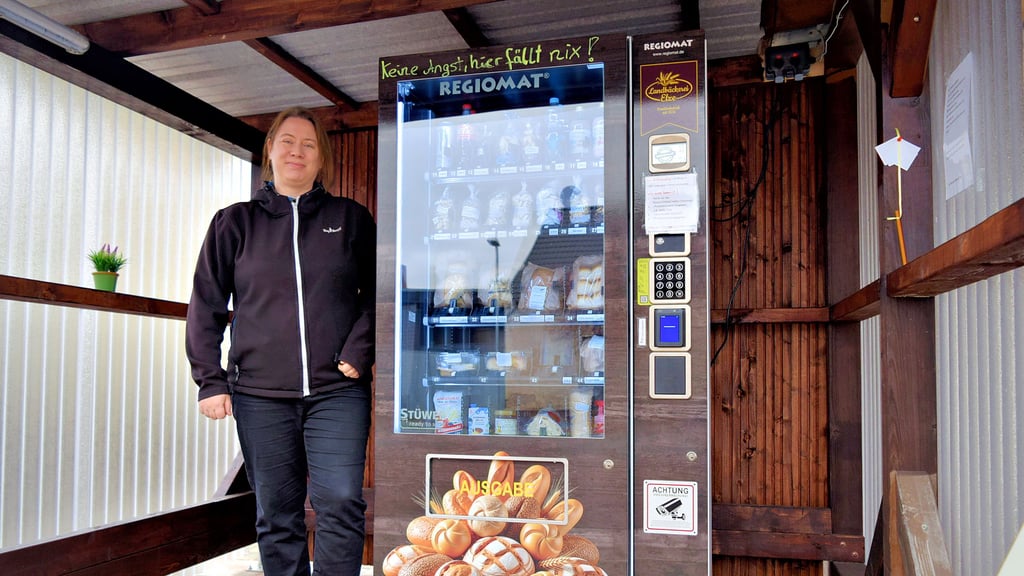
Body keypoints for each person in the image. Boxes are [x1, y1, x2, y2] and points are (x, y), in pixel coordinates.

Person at [185, 106, 375, 576]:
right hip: (259, 395)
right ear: (270, 149)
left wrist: (359, 348)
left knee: (341, 500)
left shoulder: (350, 219)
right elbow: (206, 304)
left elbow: (381, 294)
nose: (297, 151)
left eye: (309, 145)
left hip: (337, 391)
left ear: (321, 158)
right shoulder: (234, 222)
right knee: (277, 513)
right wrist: (210, 380)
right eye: (287, 141)